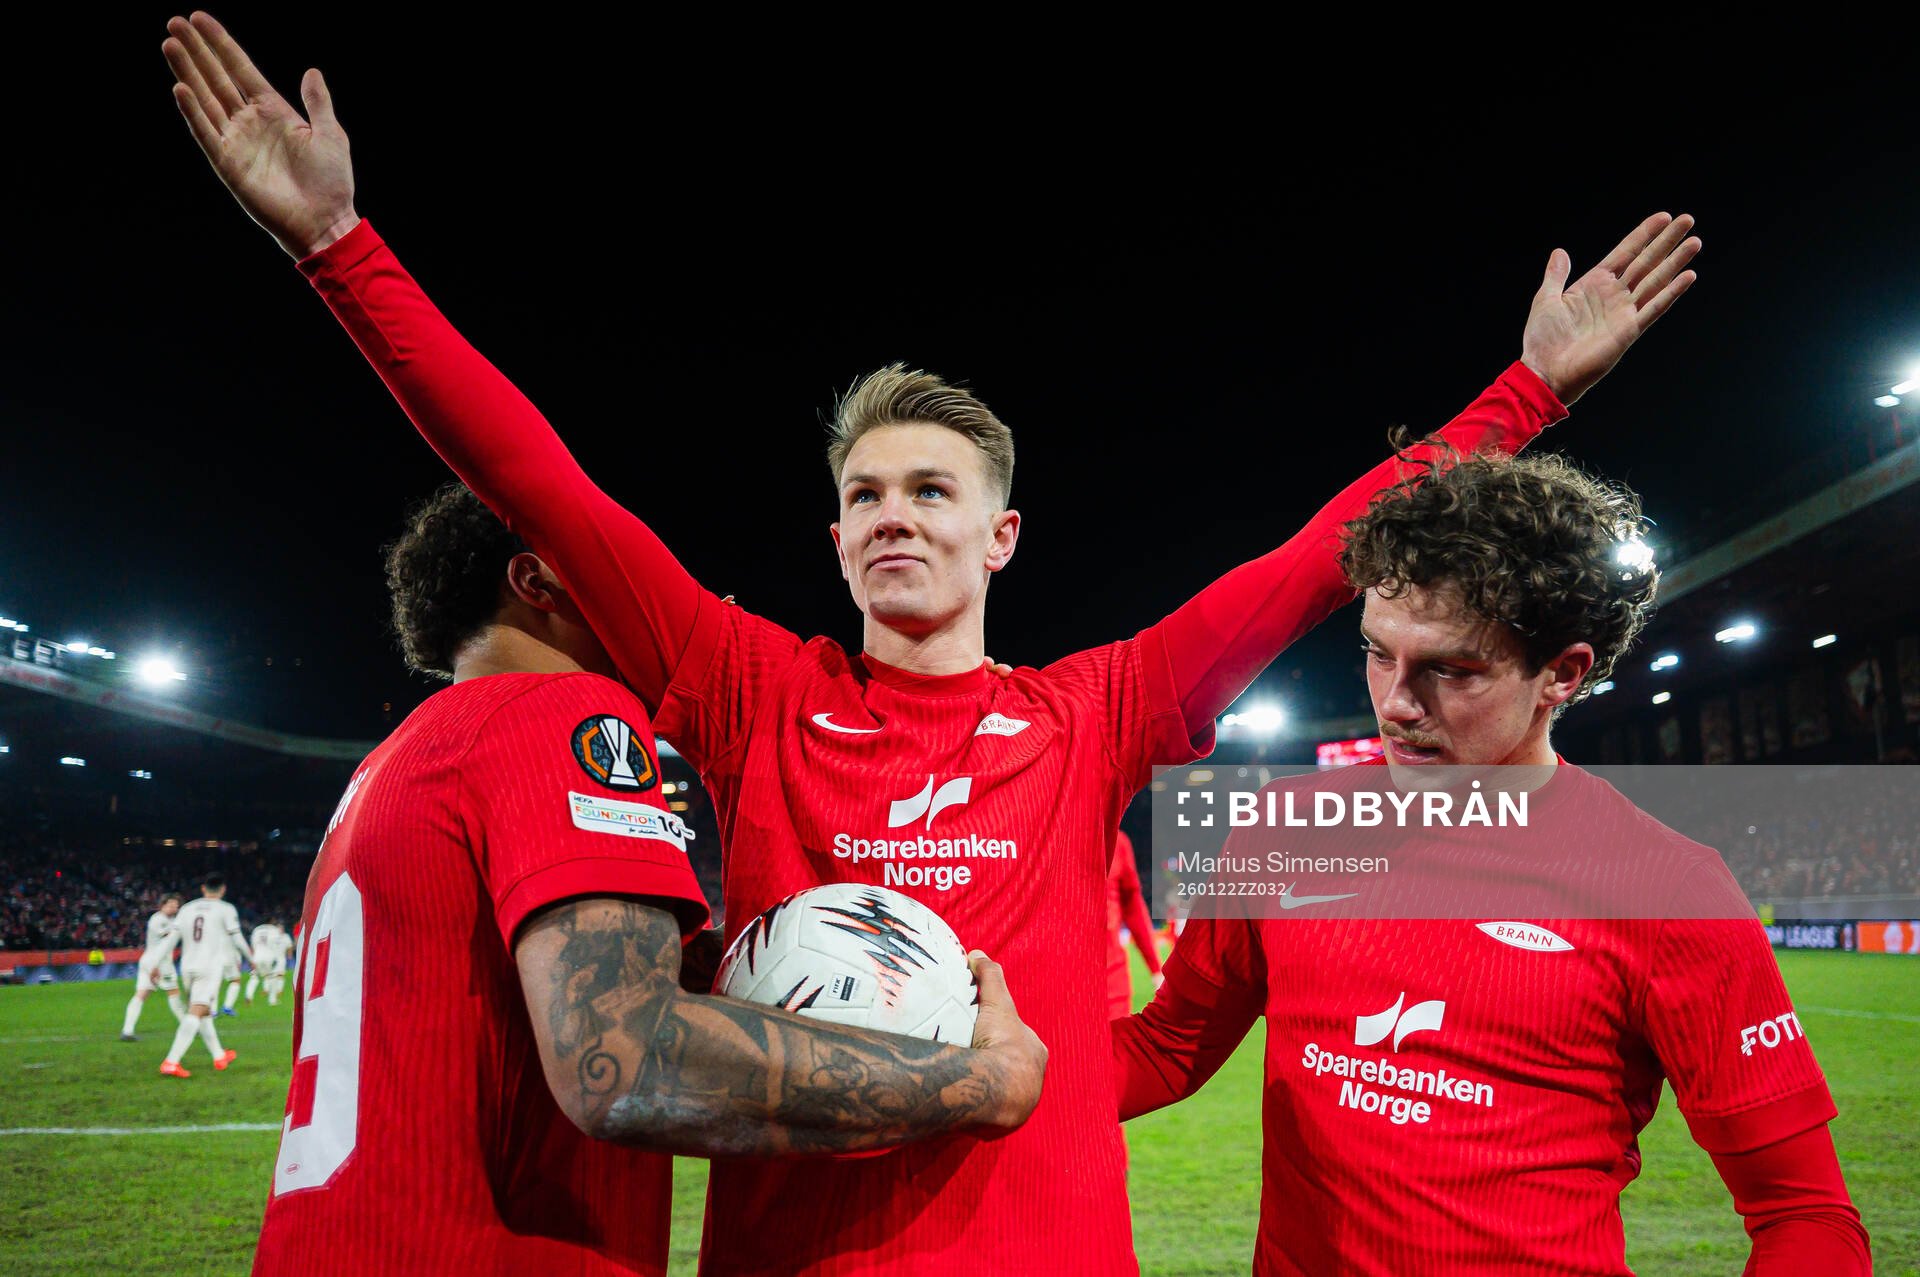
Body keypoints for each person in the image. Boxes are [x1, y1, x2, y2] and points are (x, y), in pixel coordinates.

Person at [161, 14, 1695, 1270]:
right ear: (834, 538)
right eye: (863, 494)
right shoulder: (748, 688)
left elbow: (1310, 564)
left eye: (931, 490)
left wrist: (1527, 397)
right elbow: (538, 482)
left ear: (999, 534)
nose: (895, 515)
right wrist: (338, 248)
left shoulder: (1100, 708)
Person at [238, 483, 1045, 1274]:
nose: (673, 607)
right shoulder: (560, 712)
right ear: (540, 582)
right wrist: (981, 1082)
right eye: (629, 577)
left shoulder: (399, 759)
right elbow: (624, 1060)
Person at [1110, 452, 1872, 1274]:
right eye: (1376, 652)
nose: (1397, 704)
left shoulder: (1668, 889)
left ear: (1562, 674)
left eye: (1452, 669)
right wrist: (988, 1069)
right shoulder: (1282, 827)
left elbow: (1805, 1213)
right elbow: (1168, 1045)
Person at [163, 873, 251, 1076]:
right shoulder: (225, 909)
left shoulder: (187, 908)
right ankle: (171, 1061)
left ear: (203, 889)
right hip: (209, 967)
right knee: (198, 1011)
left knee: (204, 1012)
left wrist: (158, 962)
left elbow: (171, 939)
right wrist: (250, 957)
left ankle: (219, 1055)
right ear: (222, 890)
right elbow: (236, 937)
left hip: (186, 967)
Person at [1106, 832, 1162, 1020]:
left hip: (1112, 988)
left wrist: (1155, 968)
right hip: (1059, 985)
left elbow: (1132, 907)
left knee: (1111, 1048)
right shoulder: (1049, 835)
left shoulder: (1118, 842)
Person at [120, 892, 184, 1041]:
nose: (174, 908)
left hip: (148, 959)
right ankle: (188, 1026)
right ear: (162, 905)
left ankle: (127, 1031)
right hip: (159, 962)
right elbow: (167, 937)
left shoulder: (171, 920)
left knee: (141, 994)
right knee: (173, 993)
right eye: (171, 905)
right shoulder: (158, 920)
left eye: (176, 906)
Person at [244, 920, 288, 1005]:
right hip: (269, 957)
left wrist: (252, 959)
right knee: (273, 977)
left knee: (254, 977)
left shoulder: (256, 930)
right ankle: (272, 1000)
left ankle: (248, 996)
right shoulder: (274, 929)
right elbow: (277, 945)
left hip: (257, 956)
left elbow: (253, 945)